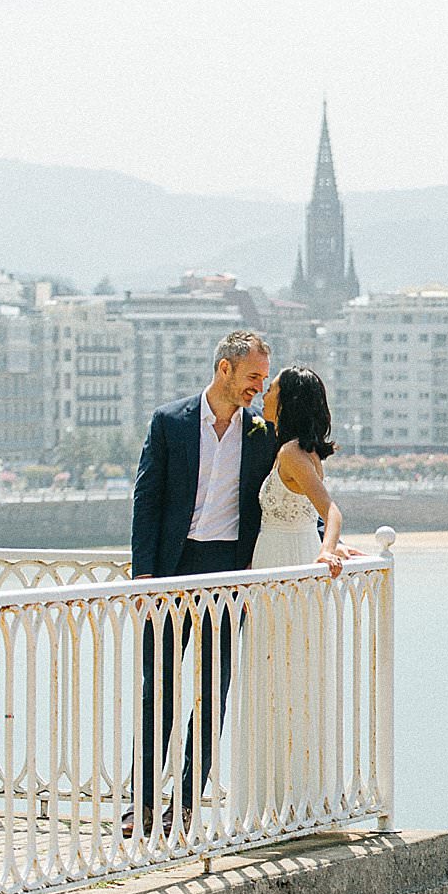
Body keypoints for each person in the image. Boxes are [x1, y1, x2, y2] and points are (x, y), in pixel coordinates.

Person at [126, 330, 276, 837]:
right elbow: (146, 498)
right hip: (172, 567)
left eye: (263, 375)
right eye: (253, 374)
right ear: (224, 369)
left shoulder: (263, 431)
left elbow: (283, 498)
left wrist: (323, 540)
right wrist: (144, 574)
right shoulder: (170, 422)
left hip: (229, 570)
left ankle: (186, 804)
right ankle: (141, 802)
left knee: (213, 693)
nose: (260, 384)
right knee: (159, 689)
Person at [235, 366, 354, 811]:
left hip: (285, 563)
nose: (265, 394)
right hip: (282, 555)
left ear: (287, 402)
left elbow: (330, 508)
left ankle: (279, 798)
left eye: (274, 389)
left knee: (276, 676)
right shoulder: (299, 452)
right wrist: (329, 544)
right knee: (293, 675)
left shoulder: (290, 454)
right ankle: (294, 793)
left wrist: (328, 549)